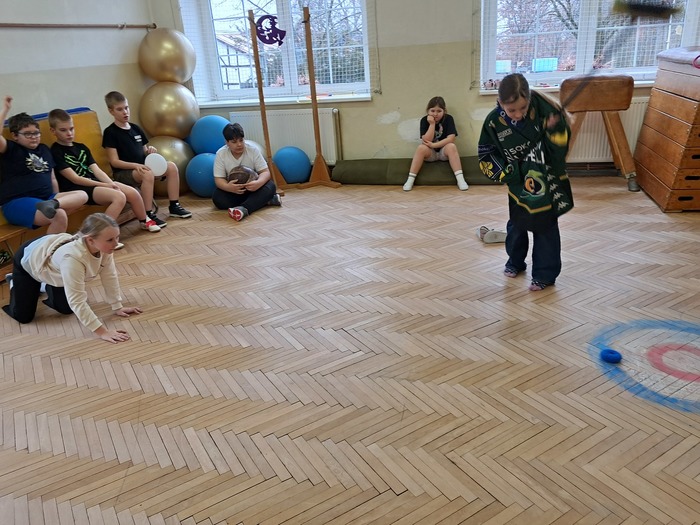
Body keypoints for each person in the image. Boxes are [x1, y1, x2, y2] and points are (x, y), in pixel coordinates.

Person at [478, 73, 574, 291]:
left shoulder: (547, 113)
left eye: (523, 108)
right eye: (511, 110)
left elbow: (559, 152)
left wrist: (554, 130)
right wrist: (508, 173)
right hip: (518, 184)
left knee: (545, 227)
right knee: (517, 224)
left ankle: (544, 275)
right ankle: (515, 262)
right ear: (500, 102)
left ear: (529, 98)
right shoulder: (493, 122)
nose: (519, 114)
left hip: (546, 181)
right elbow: (487, 153)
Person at [2, 213, 141, 343]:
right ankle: (15, 281)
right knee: (23, 316)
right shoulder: (72, 258)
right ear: (90, 240)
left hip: (54, 266)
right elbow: (77, 301)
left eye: (117, 237)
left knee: (66, 309)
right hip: (29, 260)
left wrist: (117, 306)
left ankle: (45, 283)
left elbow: (109, 276)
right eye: (110, 240)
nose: (116, 243)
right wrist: (102, 332)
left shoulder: (104, 248)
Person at [49, 108, 162, 249]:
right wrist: (106, 186)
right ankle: (100, 236)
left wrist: (110, 183)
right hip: (79, 189)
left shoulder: (81, 147)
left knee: (132, 192)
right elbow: (75, 179)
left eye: (71, 129)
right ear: (53, 131)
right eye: (63, 130)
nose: (69, 133)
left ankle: (144, 221)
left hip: (96, 184)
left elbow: (96, 170)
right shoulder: (55, 151)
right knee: (119, 197)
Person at [101, 91, 191, 228]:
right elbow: (114, 162)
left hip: (142, 168)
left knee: (171, 166)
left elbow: (144, 151)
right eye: (119, 109)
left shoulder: (136, 128)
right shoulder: (110, 133)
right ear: (111, 111)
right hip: (123, 173)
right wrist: (135, 166)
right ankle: (148, 214)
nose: (125, 112)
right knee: (147, 174)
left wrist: (150, 151)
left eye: (126, 107)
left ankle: (174, 206)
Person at [0, 96, 87, 234]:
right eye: (28, 134)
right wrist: (5, 109)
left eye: (36, 133)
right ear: (15, 136)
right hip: (17, 201)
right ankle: (48, 248)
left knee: (82, 195)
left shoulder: (44, 149)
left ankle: (53, 205)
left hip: (47, 200)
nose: (34, 137)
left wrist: (55, 195)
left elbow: (52, 177)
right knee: (59, 214)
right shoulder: (11, 149)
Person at [212, 123, 280, 221]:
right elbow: (218, 179)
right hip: (235, 191)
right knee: (218, 198)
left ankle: (244, 209)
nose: (239, 144)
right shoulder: (221, 154)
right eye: (234, 142)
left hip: (254, 189)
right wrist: (228, 187)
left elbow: (265, 172)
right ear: (227, 142)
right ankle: (265, 201)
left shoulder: (253, 150)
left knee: (271, 186)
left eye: (241, 140)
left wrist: (258, 183)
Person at [403, 96, 468, 192]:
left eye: (439, 111)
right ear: (428, 111)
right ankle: (410, 180)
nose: (435, 114)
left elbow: (451, 138)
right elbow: (426, 140)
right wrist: (432, 124)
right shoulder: (424, 120)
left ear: (444, 111)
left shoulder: (448, 119)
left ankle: (461, 180)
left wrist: (434, 145)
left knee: (451, 146)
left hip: (443, 152)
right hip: (431, 153)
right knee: (421, 148)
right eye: (432, 111)